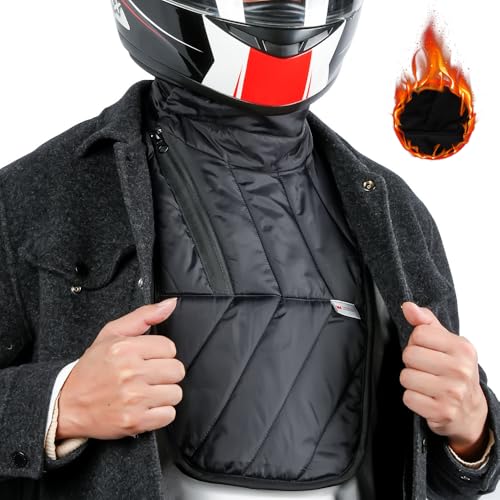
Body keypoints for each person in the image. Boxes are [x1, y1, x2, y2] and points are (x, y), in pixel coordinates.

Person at [0, 0, 498, 498]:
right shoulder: (36, 197)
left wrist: (472, 433)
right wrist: (58, 406)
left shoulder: (394, 211)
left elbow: (434, 474)